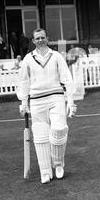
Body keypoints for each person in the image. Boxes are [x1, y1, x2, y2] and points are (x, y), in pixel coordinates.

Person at [17, 28, 77, 184]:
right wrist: (23, 102)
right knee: (41, 137)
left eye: (42, 37)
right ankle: (45, 171)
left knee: (58, 130)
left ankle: (58, 164)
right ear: (33, 41)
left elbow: (66, 78)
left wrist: (70, 101)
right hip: (36, 100)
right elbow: (23, 81)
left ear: (47, 39)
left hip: (56, 97)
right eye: (37, 38)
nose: (40, 40)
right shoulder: (28, 59)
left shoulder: (56, 56)